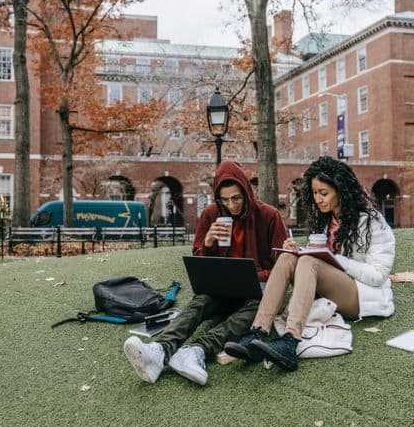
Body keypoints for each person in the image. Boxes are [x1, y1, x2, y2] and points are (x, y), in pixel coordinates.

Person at [123, 161, 287, 385]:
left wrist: (254, 276)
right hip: (222, 289)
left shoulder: (269, 216)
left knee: (259, 306)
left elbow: (282, 268)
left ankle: (196, 350)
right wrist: (208, 243)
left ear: (248, 192)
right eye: (225, 199)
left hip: (256, 291)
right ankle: (159, 350)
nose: (231, 205)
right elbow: (199, 263)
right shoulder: (211, 214)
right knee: (201, 301)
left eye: (237, 198)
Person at [224, 156, 395, 371]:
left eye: (324, 193)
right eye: (315, 193)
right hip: (330, 288)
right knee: (288, 257)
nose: (318, 199)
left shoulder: (371, 222)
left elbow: (378, 275)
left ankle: (290, 340)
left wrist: (332, 259)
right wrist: (299, 251)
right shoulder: (327, 220)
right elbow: (320, 260)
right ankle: (257, 332)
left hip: (360, 295)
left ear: (341, 191)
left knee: (309, 261)